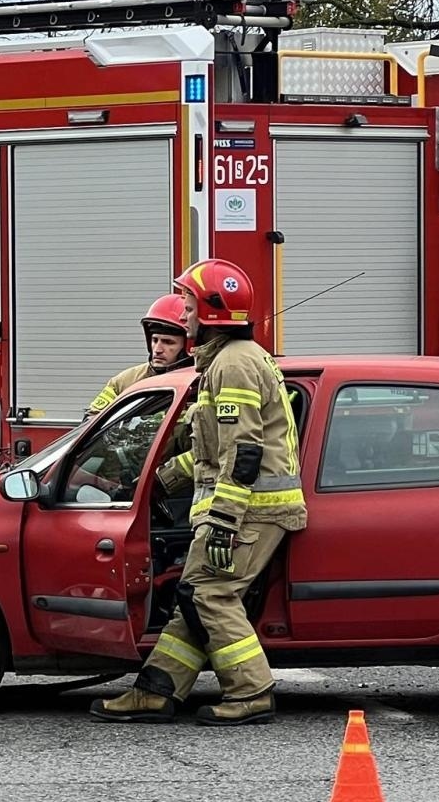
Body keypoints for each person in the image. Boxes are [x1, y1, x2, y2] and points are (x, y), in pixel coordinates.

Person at [90, 259, 307, 727]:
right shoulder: (225, 362)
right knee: (193, 593)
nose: (182, 314)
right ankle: (156, 690)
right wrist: (163, 481)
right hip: (243, 509)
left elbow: (243, 451)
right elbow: (212, 450)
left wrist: (224, 520)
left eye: (188, 305)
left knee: (211, 595)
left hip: (250, 513)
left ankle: (251, 690)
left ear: (211, 312)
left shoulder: (233, 364)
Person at [84, 294, 192, 419]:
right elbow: (91, 420)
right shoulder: (124, 382)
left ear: (188, 347)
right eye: (155, 340)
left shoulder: (198, 383)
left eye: (168, 342)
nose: (157, 350)